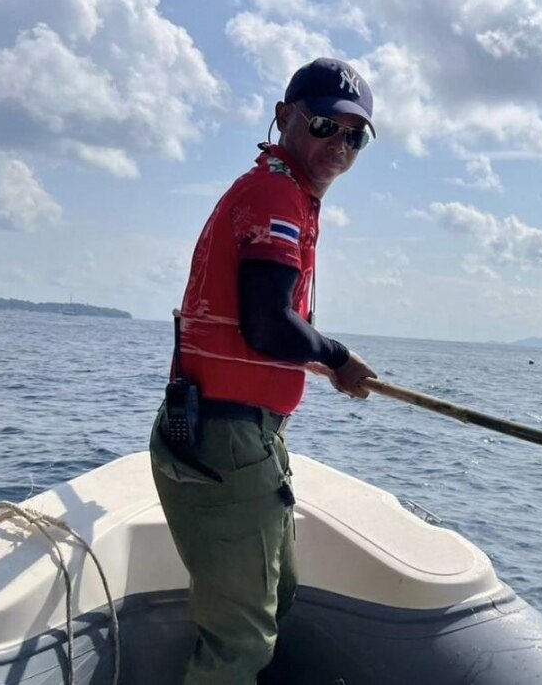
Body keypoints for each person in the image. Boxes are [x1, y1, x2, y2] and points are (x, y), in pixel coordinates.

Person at [150, 57, 379, 684]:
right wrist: (335, 356)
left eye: (355, 135)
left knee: (280, 594)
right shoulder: (276, 193)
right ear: (285, 118)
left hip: (248, 438)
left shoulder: (290, 194)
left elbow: (264, 327)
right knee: (239, 644)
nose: (340, 143)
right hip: (226, 439)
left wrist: (319, 363)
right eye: (327, 125)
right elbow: (266, 323)